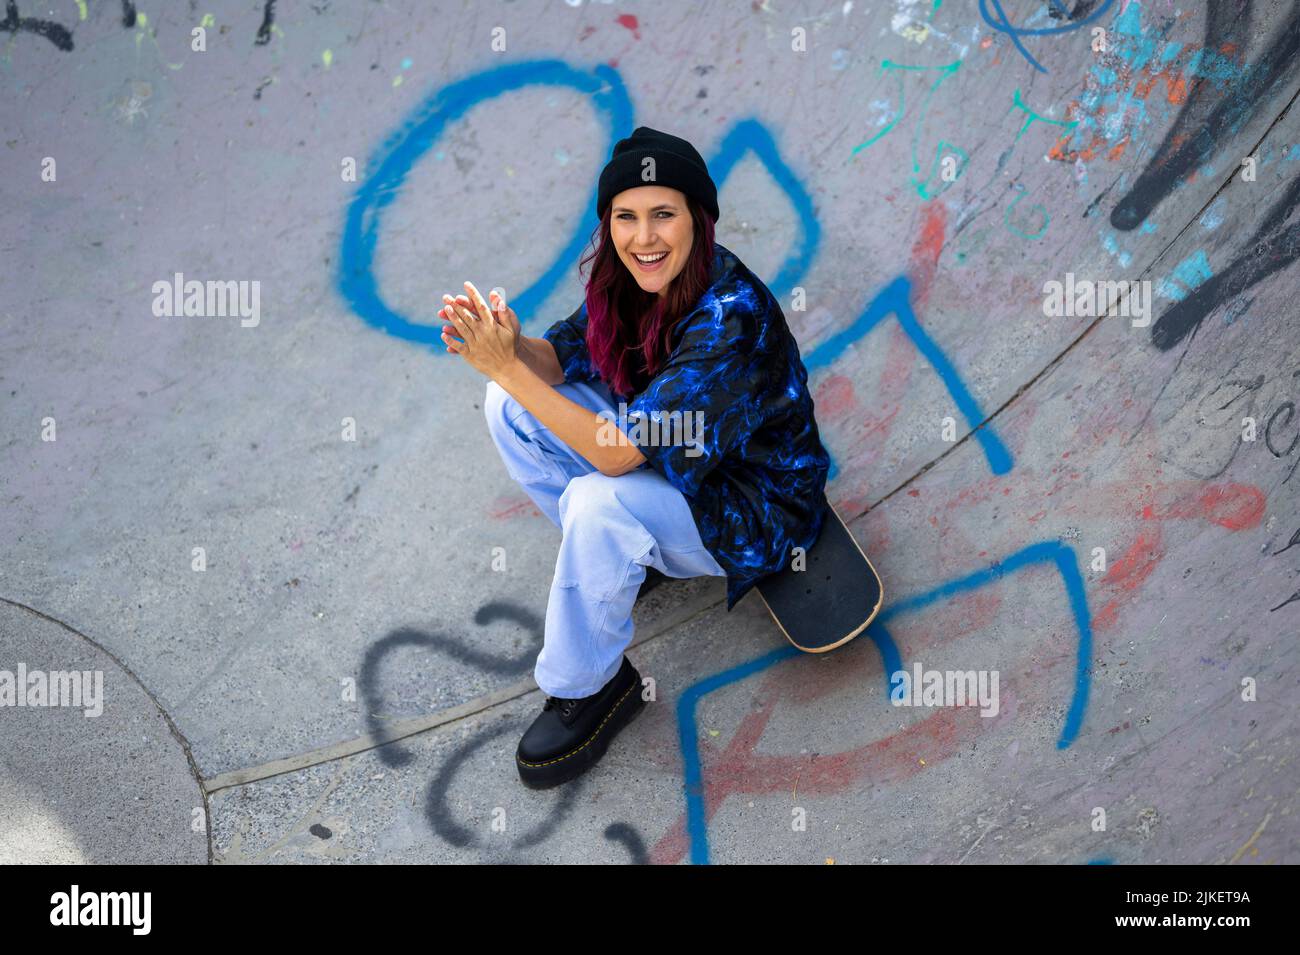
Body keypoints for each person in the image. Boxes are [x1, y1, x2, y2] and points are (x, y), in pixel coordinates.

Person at [438, 126, 831, 789]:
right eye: (626, 216)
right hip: (670, 460)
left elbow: (617, 457)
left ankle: (593, 686)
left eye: (662, 215)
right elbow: (563, 357)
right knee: (509, 406)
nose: (643, 237)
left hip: (749, 503)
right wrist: (512, 346)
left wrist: (508, 368)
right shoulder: (628, 280)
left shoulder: (728, 316)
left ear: (698, 221)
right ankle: (618, 559)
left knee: (597, 500)